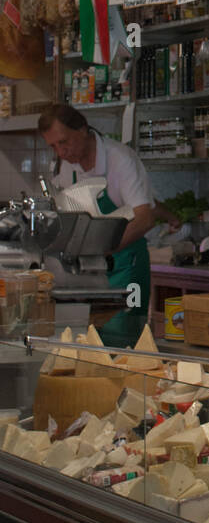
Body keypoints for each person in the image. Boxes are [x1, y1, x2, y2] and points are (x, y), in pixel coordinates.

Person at [37, 103, 158, 348]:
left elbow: (145, 217)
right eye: (53, 146)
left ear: (82, 129)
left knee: (124, 342)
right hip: (88, 273)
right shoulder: (66, 166)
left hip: (126, 266)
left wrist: (104, 250)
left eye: (64, 142)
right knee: (88, 343)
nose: (61, 152)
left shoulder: (120, 160)